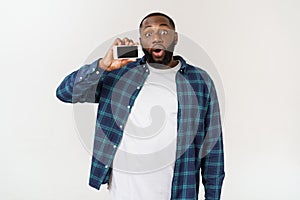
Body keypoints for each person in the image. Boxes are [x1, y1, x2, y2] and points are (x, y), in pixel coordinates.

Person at [56, 12, 225, 200]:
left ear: (175, 38)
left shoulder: (199, 81)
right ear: (140, 41)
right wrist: (103, 66)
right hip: (124, 192)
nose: (156, 39)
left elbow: (213, 147)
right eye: (148, 34)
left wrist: (213, 195)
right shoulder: (120, 73)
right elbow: (65, 93)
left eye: (163, 32)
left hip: (178, 191)